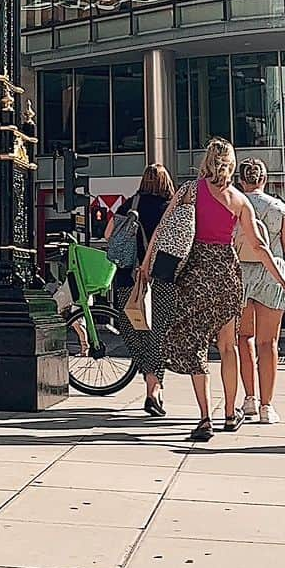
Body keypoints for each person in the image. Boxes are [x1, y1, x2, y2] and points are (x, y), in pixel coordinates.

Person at [142, 137, 285, 443]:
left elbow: (163, 228)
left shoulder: (189, 190)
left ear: (206, 160)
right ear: (232, 164)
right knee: (229, 347)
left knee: (196, 344)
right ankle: (229, 413)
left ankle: (204, 418)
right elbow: (260, 246)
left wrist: (147, 264)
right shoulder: (239, 200)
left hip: (196, 271)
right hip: (227, 272)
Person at [235, 159, 285, 424]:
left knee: (244, 338)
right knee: (269, 343)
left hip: (240, 271)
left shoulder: (235, 203)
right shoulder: (279, 208)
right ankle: (267, 406)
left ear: (241, 180)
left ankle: (249, 398)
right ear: (264, 179)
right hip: (273, 274)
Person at [110, 165, 175, 418]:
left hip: (129, 276)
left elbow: (109, 234)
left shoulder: (130, 203)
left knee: (132, 329)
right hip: (163, 276)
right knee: (158, 333)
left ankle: (150, 378)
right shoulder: (171, 206)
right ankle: (154, 387)